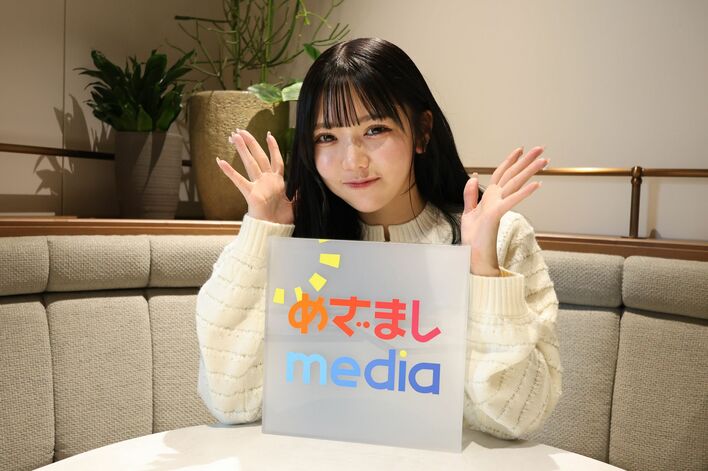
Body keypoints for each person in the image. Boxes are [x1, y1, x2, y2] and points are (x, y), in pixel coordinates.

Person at [196, 37, 561, 440]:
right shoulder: (297, 242)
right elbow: (230, 399)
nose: (353, 161)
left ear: (422, 131)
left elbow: (518, 417)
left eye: (375, 129)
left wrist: (484, 272)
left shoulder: (500, 238)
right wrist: (261, 233)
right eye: (327, 137)